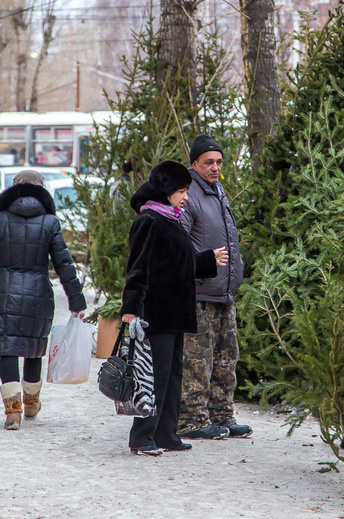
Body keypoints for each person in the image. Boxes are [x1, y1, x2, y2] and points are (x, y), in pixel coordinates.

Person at [120, 160, 227, 456]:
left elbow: (180, 264)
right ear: (166, 191)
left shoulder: (170, 219)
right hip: (156, 312)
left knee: (171, 376)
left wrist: (207, 260)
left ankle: (167, 433)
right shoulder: (149, 221)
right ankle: (142, 437)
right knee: (153, 376)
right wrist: (131, 309)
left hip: (175, 312)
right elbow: (137, 268)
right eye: (181, 191)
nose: (186, 197)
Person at [0, 170, 87, 430]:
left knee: (8, 349)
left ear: (13, 189)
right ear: (41, 190)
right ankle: (32, 403)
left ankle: (13, 411)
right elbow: (64, 265)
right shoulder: (50, 223)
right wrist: (77, 302)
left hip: (3, 294)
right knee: (34, 349)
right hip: (38, 294)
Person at [177, 135, 251, 440]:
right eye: (209, 162)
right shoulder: (189, 195)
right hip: (200, 293)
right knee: (198, 361)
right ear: (195, 163)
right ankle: (192, 419)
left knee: (226, 357)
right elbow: (178, 246)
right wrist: (203, 265)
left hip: (224, 292)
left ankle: (222, 415)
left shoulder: (218, 191)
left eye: (219, 162)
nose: (215, 167)